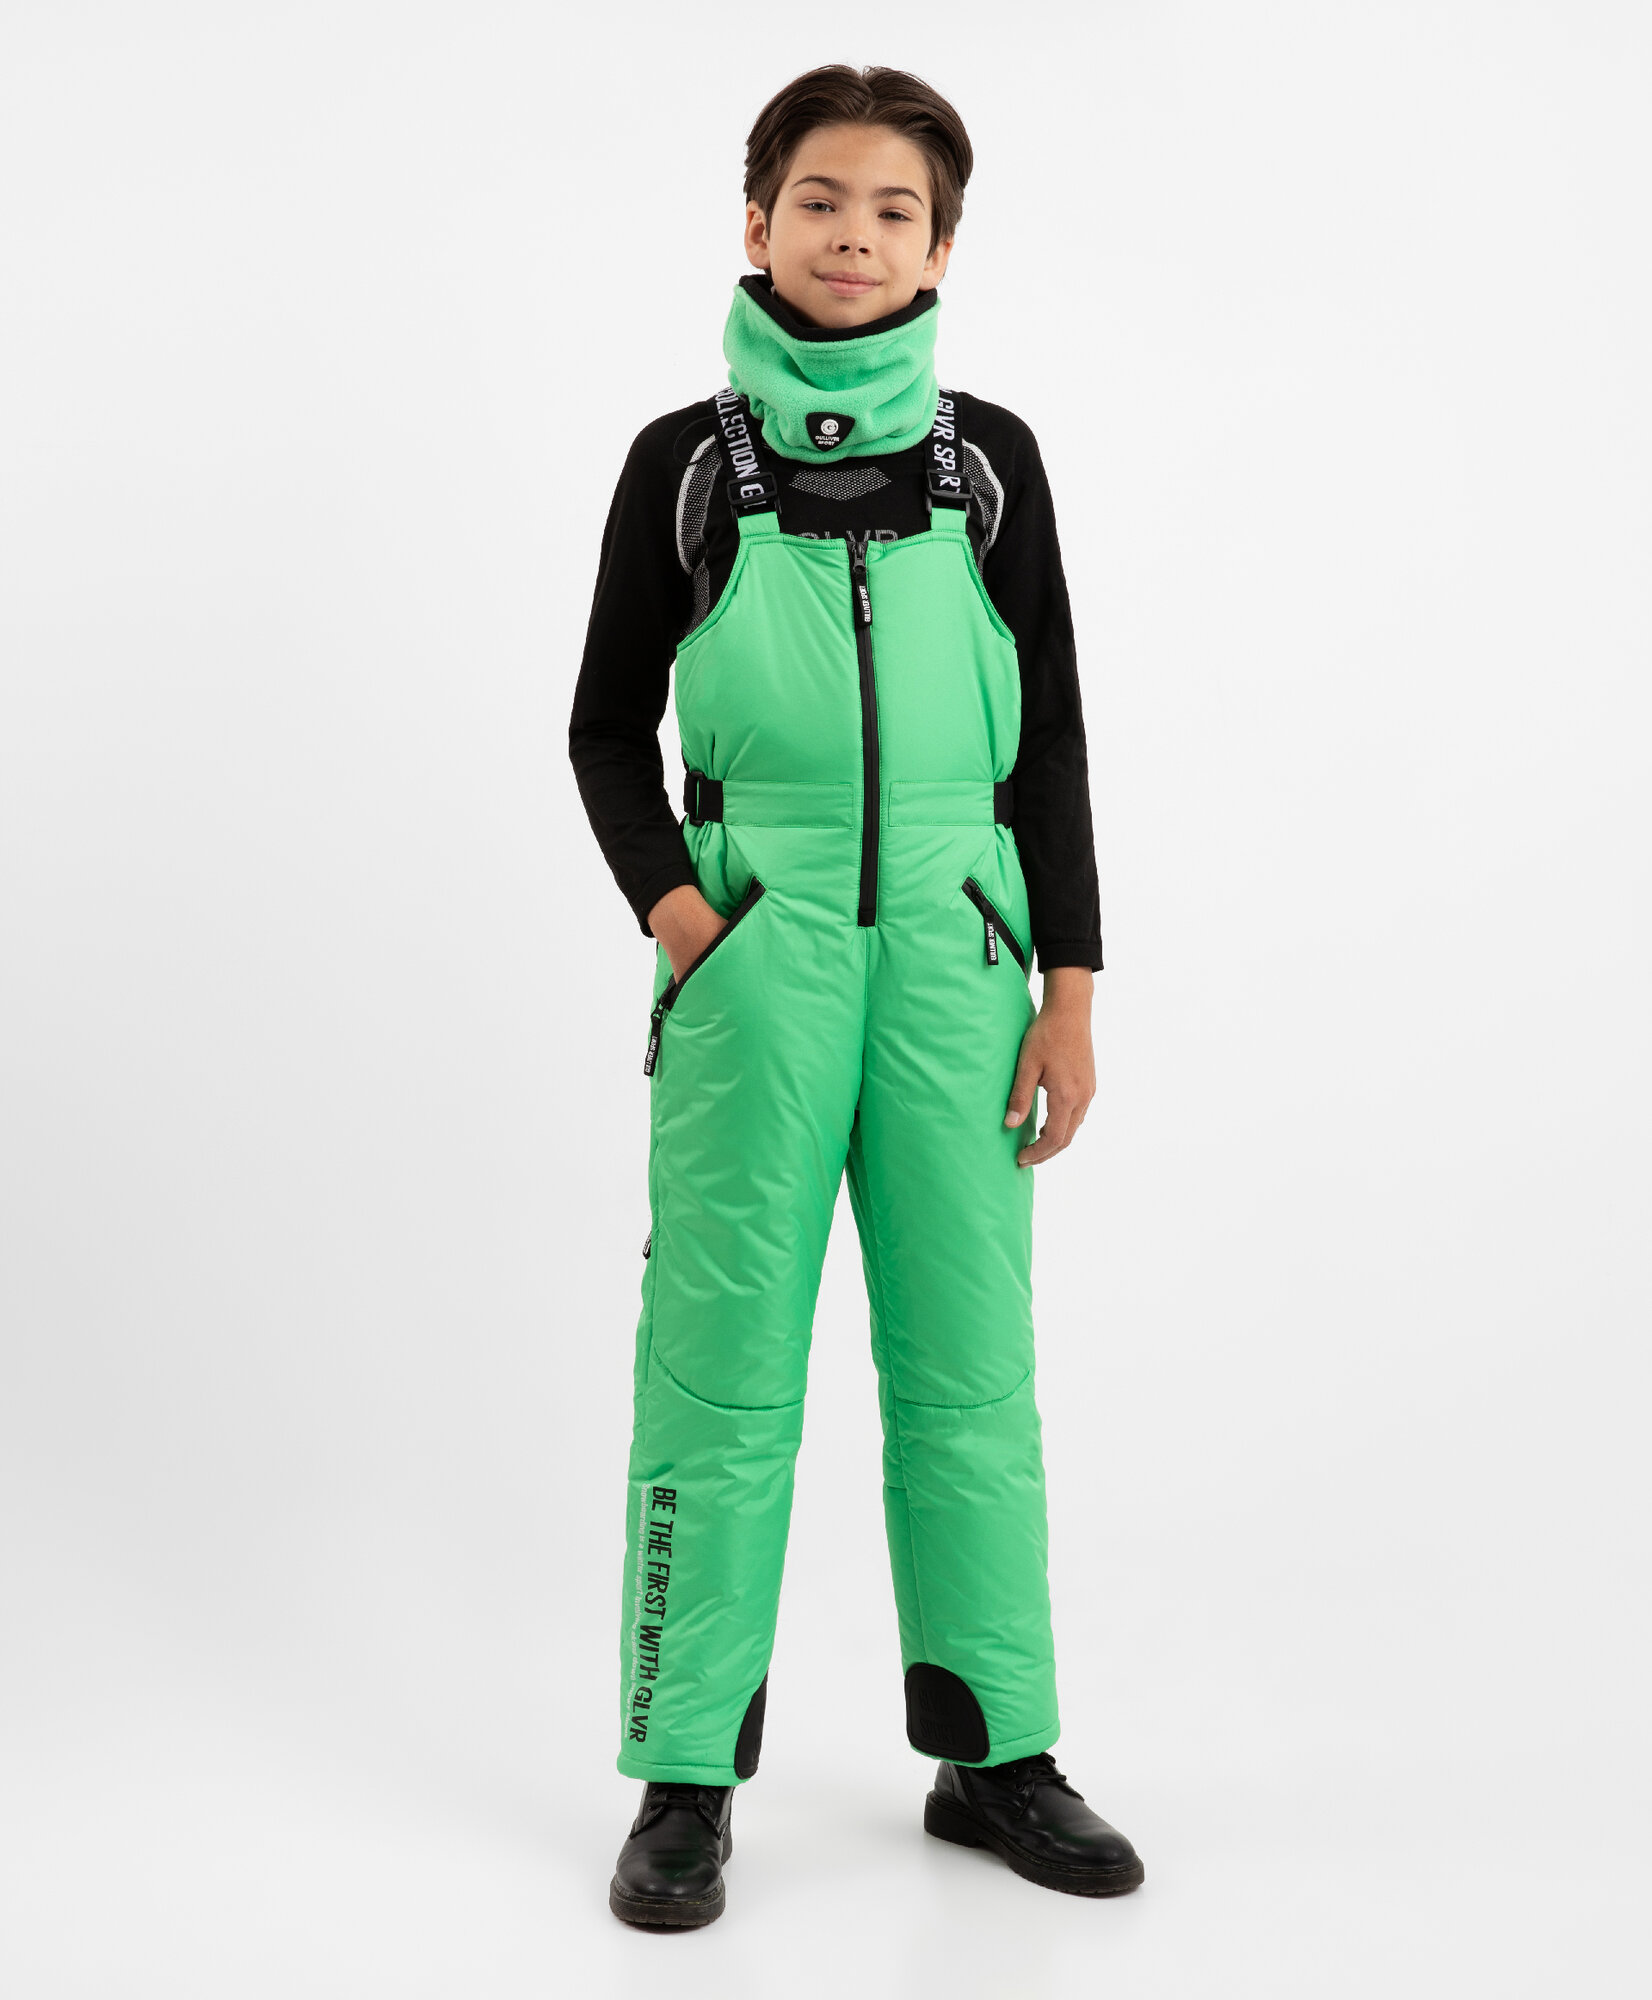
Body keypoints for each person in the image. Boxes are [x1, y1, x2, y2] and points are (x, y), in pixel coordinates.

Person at [569, 64, 1144, 1928]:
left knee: (970, 1370)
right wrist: (687, 918)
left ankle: (998, 1751)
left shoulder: (992, 466)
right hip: (762, 960)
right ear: (757, 222)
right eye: (820, 199)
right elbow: (603, 729)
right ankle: (680, 1777)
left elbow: (1052, 742)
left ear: (941, 248)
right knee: (718, 1369)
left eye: (896, 210)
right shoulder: (685, 465)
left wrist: (1070, 985)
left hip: (963, 966)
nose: (854, 234)